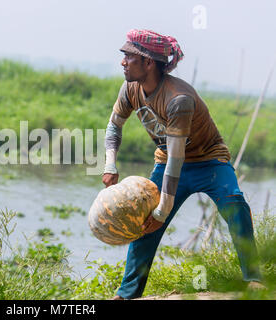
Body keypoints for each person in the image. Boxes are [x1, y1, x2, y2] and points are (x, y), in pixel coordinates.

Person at [103, 29, 263, 299]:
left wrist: (162, 212)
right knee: (144, 223)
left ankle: (254, 278)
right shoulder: (130, 88)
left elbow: (177, 160)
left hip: (209, 161)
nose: (123, 62)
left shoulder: (179, 99)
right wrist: (110, 166)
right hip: (167, 161)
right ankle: (128, 293)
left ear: (148, 62)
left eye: (129, 57)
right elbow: (114, 126)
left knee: (234, 204)